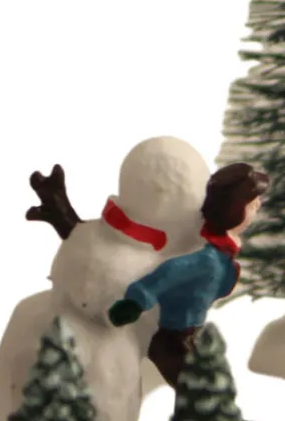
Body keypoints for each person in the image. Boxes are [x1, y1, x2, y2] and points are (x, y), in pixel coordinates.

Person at [108, 162, 270, 388]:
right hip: (172, 340)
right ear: (233, 210)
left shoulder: (222, 257)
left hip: (193, 336)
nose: (258, 206)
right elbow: (171, 271)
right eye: (252, 205)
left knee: (212, 382)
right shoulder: (208, 260)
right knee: (199, 388)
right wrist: (135, 302)